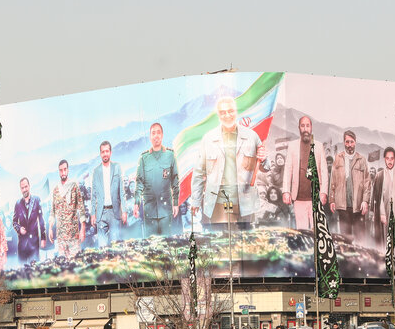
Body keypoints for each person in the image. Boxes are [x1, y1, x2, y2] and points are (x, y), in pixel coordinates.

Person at [192, 96, 266, 230]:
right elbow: (198, 172)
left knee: (244, 244)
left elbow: (266, 167)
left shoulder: (251, 136)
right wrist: (196, 200)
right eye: (223, 112)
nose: (227, 115)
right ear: (218, 115)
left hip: (245, 201)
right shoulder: (208, 139)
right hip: (218, 202)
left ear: (236, 111)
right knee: (221, 243)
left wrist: (264, 158)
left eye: (230, 111)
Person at [134, 123, 180, 237]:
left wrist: (175, 203)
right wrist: (136, 203)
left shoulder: (170, 155)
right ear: (150, 137)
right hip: (149, 210)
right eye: (153, 133)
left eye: (158, 132)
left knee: (167, 245)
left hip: (166, 210)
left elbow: (175, 181)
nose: (156, 136)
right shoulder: (144, 158)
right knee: (151, 246)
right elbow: (139, 183)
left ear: (162, 135)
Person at [280, 115, 324, 231]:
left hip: (315, 198)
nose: (305, 129)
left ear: (311, 128)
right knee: (302, 231)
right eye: (302, 126)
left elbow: (323, 171)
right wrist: (286, 191)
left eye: (307, 126)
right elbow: (288, 169)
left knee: (318, 231)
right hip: (298, 197)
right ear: (299, 128)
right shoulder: (292, 146)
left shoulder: (319, 146)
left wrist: (323, 192)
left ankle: (316, 250)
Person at [333, 131, 371, 244]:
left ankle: (362, 262)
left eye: (352, 142)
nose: (349, 144)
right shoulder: (338, 159)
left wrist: (365, 201)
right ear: (344, 142)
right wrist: (332, 200)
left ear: (355, 142)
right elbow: (333, 180)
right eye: (347, 142)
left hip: (358, 206)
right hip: (343, 207)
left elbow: (367, 182)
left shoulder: (362, 159)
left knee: (360, 240)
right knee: (345, 241)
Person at [90, 141, 127, 247]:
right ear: (100, 154)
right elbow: (94, 194)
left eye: (107, 151)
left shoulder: (117, 167)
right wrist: (93, 214)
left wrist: (124, 210)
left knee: (115, 245)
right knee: (102, 246)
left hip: (114, 212)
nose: (105, 154)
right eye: (103, 152)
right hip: (101, 213)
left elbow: (122, 191)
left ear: (110, 152)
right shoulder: (96, 171)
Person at [49, 159, 85, 259]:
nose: (63, 172)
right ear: (58, 171)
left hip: (73, 236)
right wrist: (50, 228)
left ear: (68, 170)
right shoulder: (56, 190)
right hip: (61, 237)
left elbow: (81, 207)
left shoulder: (74, 186)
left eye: (65, 169)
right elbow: (53, 211)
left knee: (75, 264)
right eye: (61, 170)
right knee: (63, 267)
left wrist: (83, 228)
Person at [11, 177, 46, 263]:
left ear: (29, 186)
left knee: (35, 271)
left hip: (34, 243)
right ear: (20, 189)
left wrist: (43, 238)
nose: (24, 189)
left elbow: (41, 219)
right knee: (22, 272)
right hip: (22, 245)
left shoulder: (37, 200)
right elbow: (14, 222)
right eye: (22, 188)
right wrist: (19, 229)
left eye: (26, 187)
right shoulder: (18, 203)